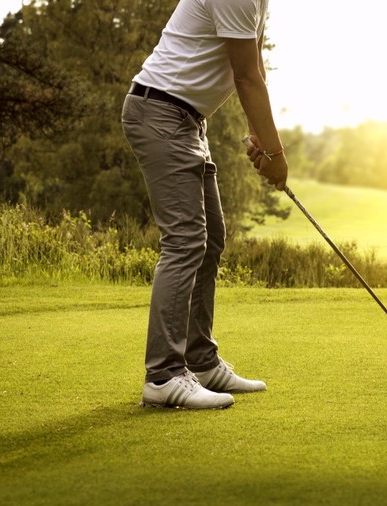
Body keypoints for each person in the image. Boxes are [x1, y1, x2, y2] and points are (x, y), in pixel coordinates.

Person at [122, 0, 287, 409]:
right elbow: (245, 77)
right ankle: (163, 376)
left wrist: (257, 134)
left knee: (210, 238)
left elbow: (254, 68)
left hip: (186, 118)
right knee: (184, 242)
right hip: (160, 112)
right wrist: (275, 152)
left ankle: (200, 361)